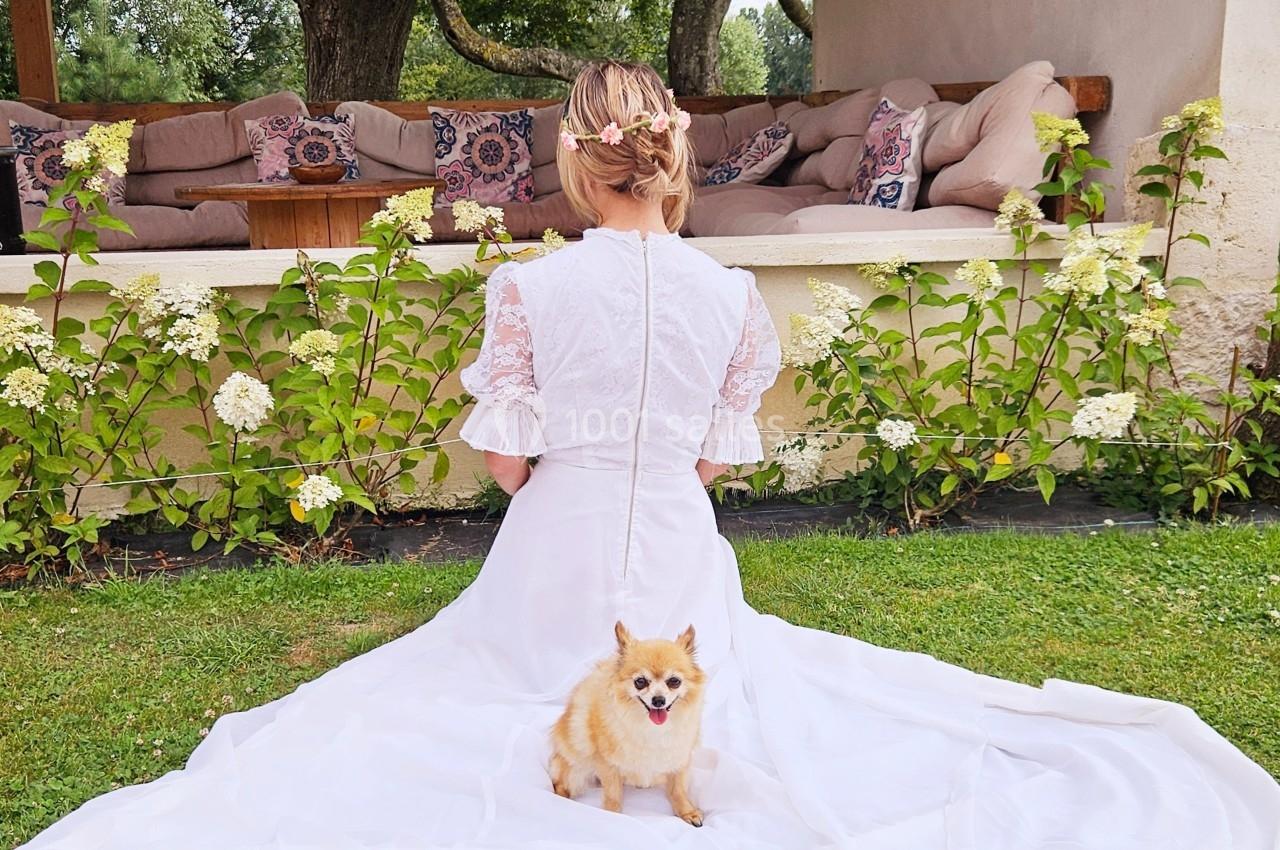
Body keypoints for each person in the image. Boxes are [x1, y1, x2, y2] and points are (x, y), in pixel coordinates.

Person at [22, 60, 1278, 850]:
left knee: (486, 686)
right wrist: (659, 471)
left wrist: (556, 473)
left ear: (577, 163)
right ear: (669, 158)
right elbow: (715, 458)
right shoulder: (728, 295)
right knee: (720, 677)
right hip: (676, 547)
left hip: (553, 546)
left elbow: (505, 459)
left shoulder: (527, 289)